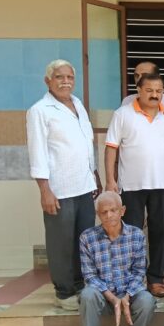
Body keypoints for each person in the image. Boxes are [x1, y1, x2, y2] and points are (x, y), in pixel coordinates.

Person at [26, 59, 101, 310]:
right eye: (59, 77)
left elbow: (86, 145)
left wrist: (94, 176)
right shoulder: (39, 111)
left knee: (84, 240)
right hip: (59, 190)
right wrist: (44, 190)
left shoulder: (78, 104)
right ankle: (64, 291)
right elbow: (37, 153)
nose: (65, 81)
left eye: (69, 77)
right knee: (61, 242)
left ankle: (80, 285)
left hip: (84, 186)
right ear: (48, 81)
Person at [105, 73, 164, 298]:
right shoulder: (122, 114)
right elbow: (111, 148)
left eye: (159, 91)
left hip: (162, 184)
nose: (154, 95)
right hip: (131, 186)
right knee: (131, 233)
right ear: (139, 90)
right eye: (149, 90)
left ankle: (156, 278)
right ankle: (132, 278)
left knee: (161, 231)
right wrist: (110, 180)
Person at [73, 192, 156, 326]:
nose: (109, 215)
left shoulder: (136, 235)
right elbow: (89, 275)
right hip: (103, 297)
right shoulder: (87, 238)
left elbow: (139, 271)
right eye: (104, 212)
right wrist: (112, 298)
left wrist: (126, 297)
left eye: (113, 210)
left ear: (122, 211)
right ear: (98, 214)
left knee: (147, 300)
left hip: (130, 296)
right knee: (87, 295)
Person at [121, 61, 164, 157]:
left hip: (163, 164)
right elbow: (119, 139)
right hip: (131, 164)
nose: (139, 79)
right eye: (136, 75)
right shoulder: (127, 102)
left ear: (157, 77)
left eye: (144, 75)